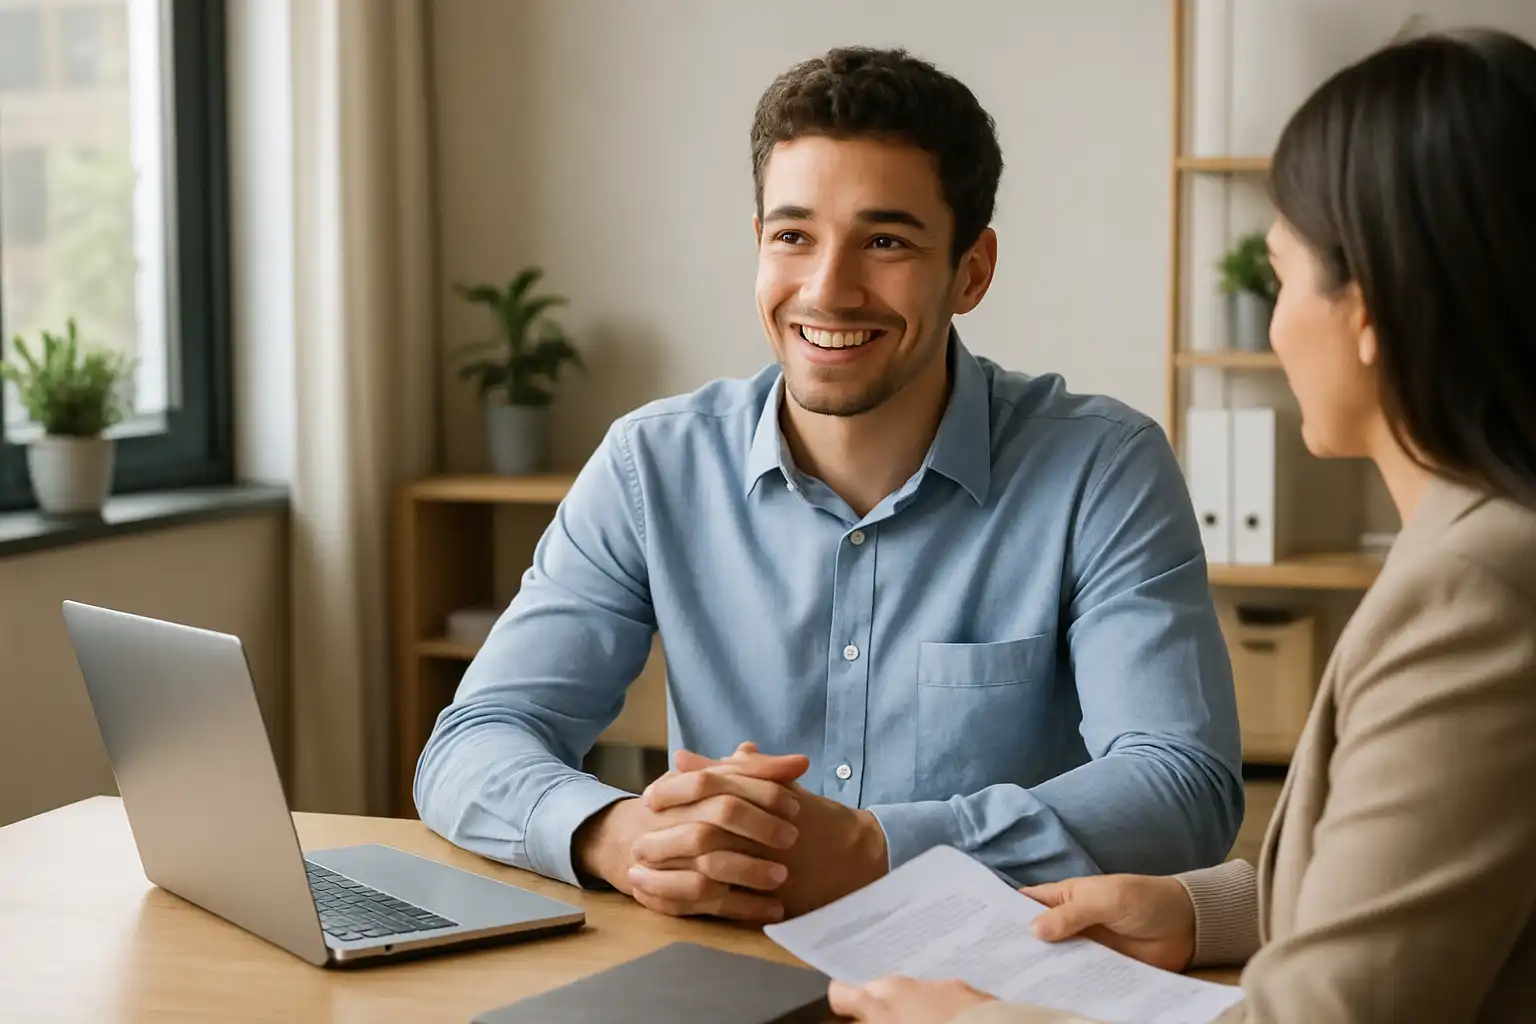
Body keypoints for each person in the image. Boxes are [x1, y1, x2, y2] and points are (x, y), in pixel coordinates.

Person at [413, 46, 1242, 924]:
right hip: (720, 969)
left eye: (885, 241)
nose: (828, 289)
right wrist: (612, 834)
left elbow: (1182, 786)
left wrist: (874, 850)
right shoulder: (651, 466)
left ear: (971, 271)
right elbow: (472, 742)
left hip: (983, 985)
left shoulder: (1101, 468)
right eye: (793, 235)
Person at [827, 27, 1536, 1024]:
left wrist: (980, 1021)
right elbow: (1443, 873)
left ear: (1365, 310)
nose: (1273, 320)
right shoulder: (1485, 548)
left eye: (1282, 277)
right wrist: (1198, 910)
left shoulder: (1477, 590)